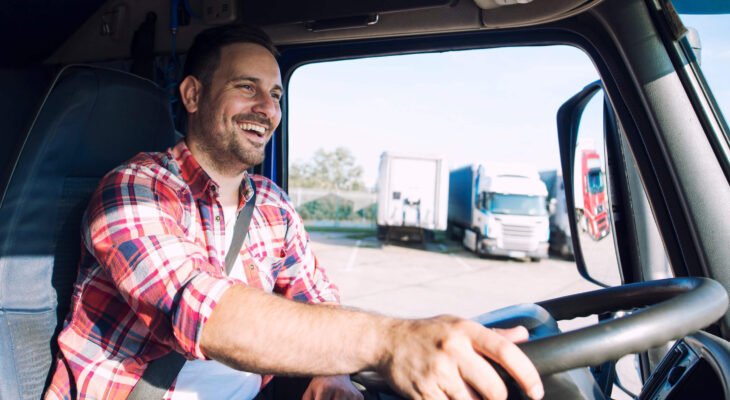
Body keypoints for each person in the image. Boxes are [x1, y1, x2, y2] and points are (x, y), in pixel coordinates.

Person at [45, 24, 544, 400]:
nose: (268, 108)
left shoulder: (273, 206)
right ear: (193, 94)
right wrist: (392, 340)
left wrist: (330, 369)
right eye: (247, 87)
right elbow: (205, 313)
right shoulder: (134, 189)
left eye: (277, 94)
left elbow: (318, 298)